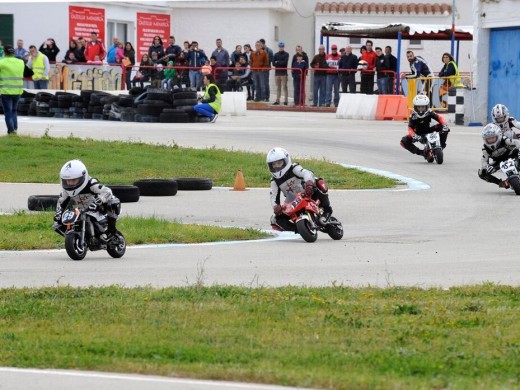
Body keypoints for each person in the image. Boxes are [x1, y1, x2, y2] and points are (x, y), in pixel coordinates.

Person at [266, 147, 333, 232]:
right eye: (273, 165)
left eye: (279, 163)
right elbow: (273, 196)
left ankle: (327, 209)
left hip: (309, 193)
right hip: (294, 202)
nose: (276, 167)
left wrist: (309, 183)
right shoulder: (274, 181)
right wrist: (276, 207)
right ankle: (298, 228)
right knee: (275, 220)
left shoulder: (294, 168)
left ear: (286, 161)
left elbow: (307, 173)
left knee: (319, 182)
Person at [53, 160, 121, 241]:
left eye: (73, 180)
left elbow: (107, 191)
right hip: (80, 211)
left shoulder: (91, 183)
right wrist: (59, 213)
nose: (70, 183)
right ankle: (75, 235)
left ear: (82, 177)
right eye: (68, 181)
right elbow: (60, 202)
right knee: (56, 224)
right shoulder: (66, 191)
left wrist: (100, 200)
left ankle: (111, 230)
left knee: (113, 201)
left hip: (99, 210)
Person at [478, 123, 520, 189]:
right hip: (498, 161)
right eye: (489, 139)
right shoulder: (485, 148)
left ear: (498, 135)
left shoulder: (504, 139)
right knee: (482, 173)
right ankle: (502, 183)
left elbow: (516, 142)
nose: (491, 140)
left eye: (493, 138)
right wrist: (485, 167)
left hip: (511, 155)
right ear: (485, 140)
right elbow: (484, 160)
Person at [0, 45, 24, 135]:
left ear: (5, 52)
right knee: (14, 110)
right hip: (18, 90)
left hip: (6, 90)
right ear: (13, 53)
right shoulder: (21, 62)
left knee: (8, 112)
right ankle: (15, 129)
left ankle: (11, 131)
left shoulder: (1, 62)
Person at [272, 41, 289, 106]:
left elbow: (285, 63)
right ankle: (277, 100)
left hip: (284, 73)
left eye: (282, 47)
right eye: (280, 47)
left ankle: (286, 100)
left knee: (285, 87)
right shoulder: (276, 54)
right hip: (277, 73)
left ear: (283, 47)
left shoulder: (286, 54)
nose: (281, 48)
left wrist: (277, 62)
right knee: (278, 88)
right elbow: (273, 63)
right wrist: (280, 62)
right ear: (278, 47)